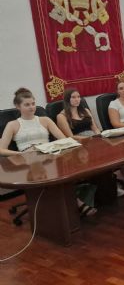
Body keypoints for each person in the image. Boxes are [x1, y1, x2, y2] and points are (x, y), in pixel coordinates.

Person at [0, 88, 98, 217]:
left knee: (63, 172)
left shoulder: (45, 120)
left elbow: (63, 139)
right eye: (27, 105)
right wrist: (20, 154)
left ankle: (68, 205)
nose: (31, 107)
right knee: (53, 180)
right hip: (28, 159)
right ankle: (75, 204)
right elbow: (2, 149)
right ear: (18, 106)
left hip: (49, 155)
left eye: (33, 103)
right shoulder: (13, 125)